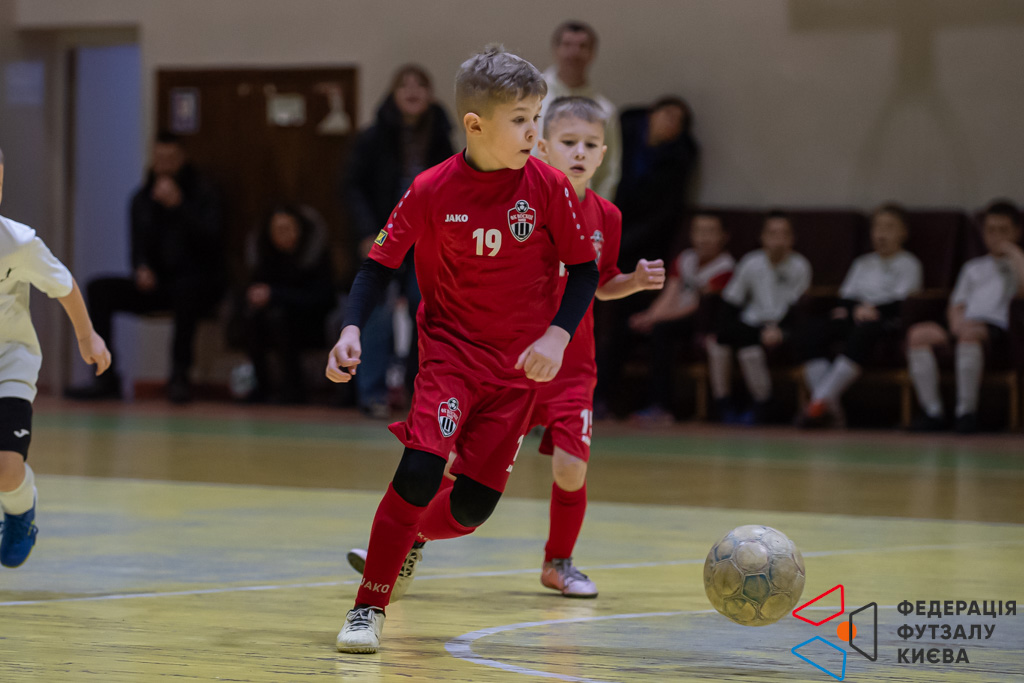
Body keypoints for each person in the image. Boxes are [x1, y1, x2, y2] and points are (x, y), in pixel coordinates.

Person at [325, 47, 600, 653]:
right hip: (450, 358)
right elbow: (377, 266)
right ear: (475, 125)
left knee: (472, 509)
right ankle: (368, 607)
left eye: (537, 117)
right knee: (419, 471)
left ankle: (408, 540)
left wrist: (556, 334)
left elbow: (584, 271)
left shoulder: (549, 187)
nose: (534, 133)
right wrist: (351, 330)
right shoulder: (430, 188)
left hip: (517, 374)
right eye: (521, 120)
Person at [0, 147, 111, 568]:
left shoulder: (17, 243)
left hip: (9, 361)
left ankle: (20, 511)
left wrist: (87, 336)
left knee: (6, 470)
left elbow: (63, 285)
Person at [65, 132, 223, 404]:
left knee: (187, 290)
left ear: (182, 159)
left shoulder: (204, 194)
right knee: (98, 289)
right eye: (160, 158)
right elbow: (137, 247)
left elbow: (212, 242)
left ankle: (179, 376)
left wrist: (179, 207)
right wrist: (141, 268)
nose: (165, 165)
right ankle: (105, 376)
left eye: (171, 158)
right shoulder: (141, 199)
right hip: (157, 285)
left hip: (196, 283)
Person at [345, 65, 454, 418]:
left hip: (428, 239)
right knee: (378, 312)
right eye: (404, 84)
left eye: (420, 84)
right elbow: (351, 186)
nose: (412, 90)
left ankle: (419, 391)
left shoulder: (443, 136)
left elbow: (455, 189)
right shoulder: (373, 136)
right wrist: (367, 232)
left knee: (427, 311)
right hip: (385, 232)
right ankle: (373, 393)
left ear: (430, 94)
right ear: (393, 93)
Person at [595, 96, 699, 412]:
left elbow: (665, 215)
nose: (670, 123)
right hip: (598, 229)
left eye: (678, 122)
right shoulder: (622, 133)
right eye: (667, 114)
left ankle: (605, 397)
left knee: (625, 323)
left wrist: (621, 244)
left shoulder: (678, 159)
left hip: (639, 248)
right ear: (652, 114)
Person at [797, 204, 922, 428]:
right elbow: (846, 296)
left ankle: (818, 402)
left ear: (903, 232)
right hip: (856, 314)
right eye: (878, 228)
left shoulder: (909, 264)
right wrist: (856, 309)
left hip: (886, 321)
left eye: (889, 228)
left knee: (864, 331)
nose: (881, 234)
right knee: (812, 331)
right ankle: (831, 410)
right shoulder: (862, 263)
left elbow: (903, 302)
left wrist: (873, 310)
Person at [905, 200, 1024, 433]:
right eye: (991, 230)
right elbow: (957, 304)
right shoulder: (973, 267)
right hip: (965, 324)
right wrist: (955, 324)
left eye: (1003, 230)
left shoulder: (1018, 264)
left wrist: (1012, 252)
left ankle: (966, 412)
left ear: (1017, 232)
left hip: (997, 328)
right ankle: (933, 411)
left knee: (969, 335)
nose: (996, 237)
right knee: (918, 335)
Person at [706, 211, 811, 423]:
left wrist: (780, 331)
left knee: (749, 351)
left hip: (784, 327)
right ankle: (723, 403)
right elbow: (731, 302)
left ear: (792, 238)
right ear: (762, 237)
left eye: (784, 234)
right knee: (718, 343)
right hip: (751, 325)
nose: (778, 240)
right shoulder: (751, 262)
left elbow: (798, 310)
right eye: (772, 233)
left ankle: (763, 404)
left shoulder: (800, 266)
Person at [628, 213, 734, 423]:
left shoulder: (726, 266)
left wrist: (657, 320)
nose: (704, 238)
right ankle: (603, 400)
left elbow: (698, 307)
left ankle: (662, 406)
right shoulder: (685, 258)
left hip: (701, 323)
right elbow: (670, 293)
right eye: (699, 232)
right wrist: (649, 316)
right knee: (629, 329)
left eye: (710, 232)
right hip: (671, 317)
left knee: (661, 332)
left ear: (723, 236)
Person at [238, 206, 335, 403]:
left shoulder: (315, 256)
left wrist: (275, 295)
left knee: (280, 318)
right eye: (277, 230)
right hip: (272, 321)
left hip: (311, 321)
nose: (282, 235)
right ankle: (261, 386)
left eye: (287, 228)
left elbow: (322, 298)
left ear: (299, 229)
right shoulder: (265, 257)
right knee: (253, 317)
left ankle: (294, 387)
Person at [537, 20, 621, 200]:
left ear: (592, 53)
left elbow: (609, 171)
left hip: (579, 206)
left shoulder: (604, 110)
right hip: (527, 203)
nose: (574, 53)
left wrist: (595, 212)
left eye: (582, 46)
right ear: (555, 49)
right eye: (567, 45)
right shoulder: (529, 96)